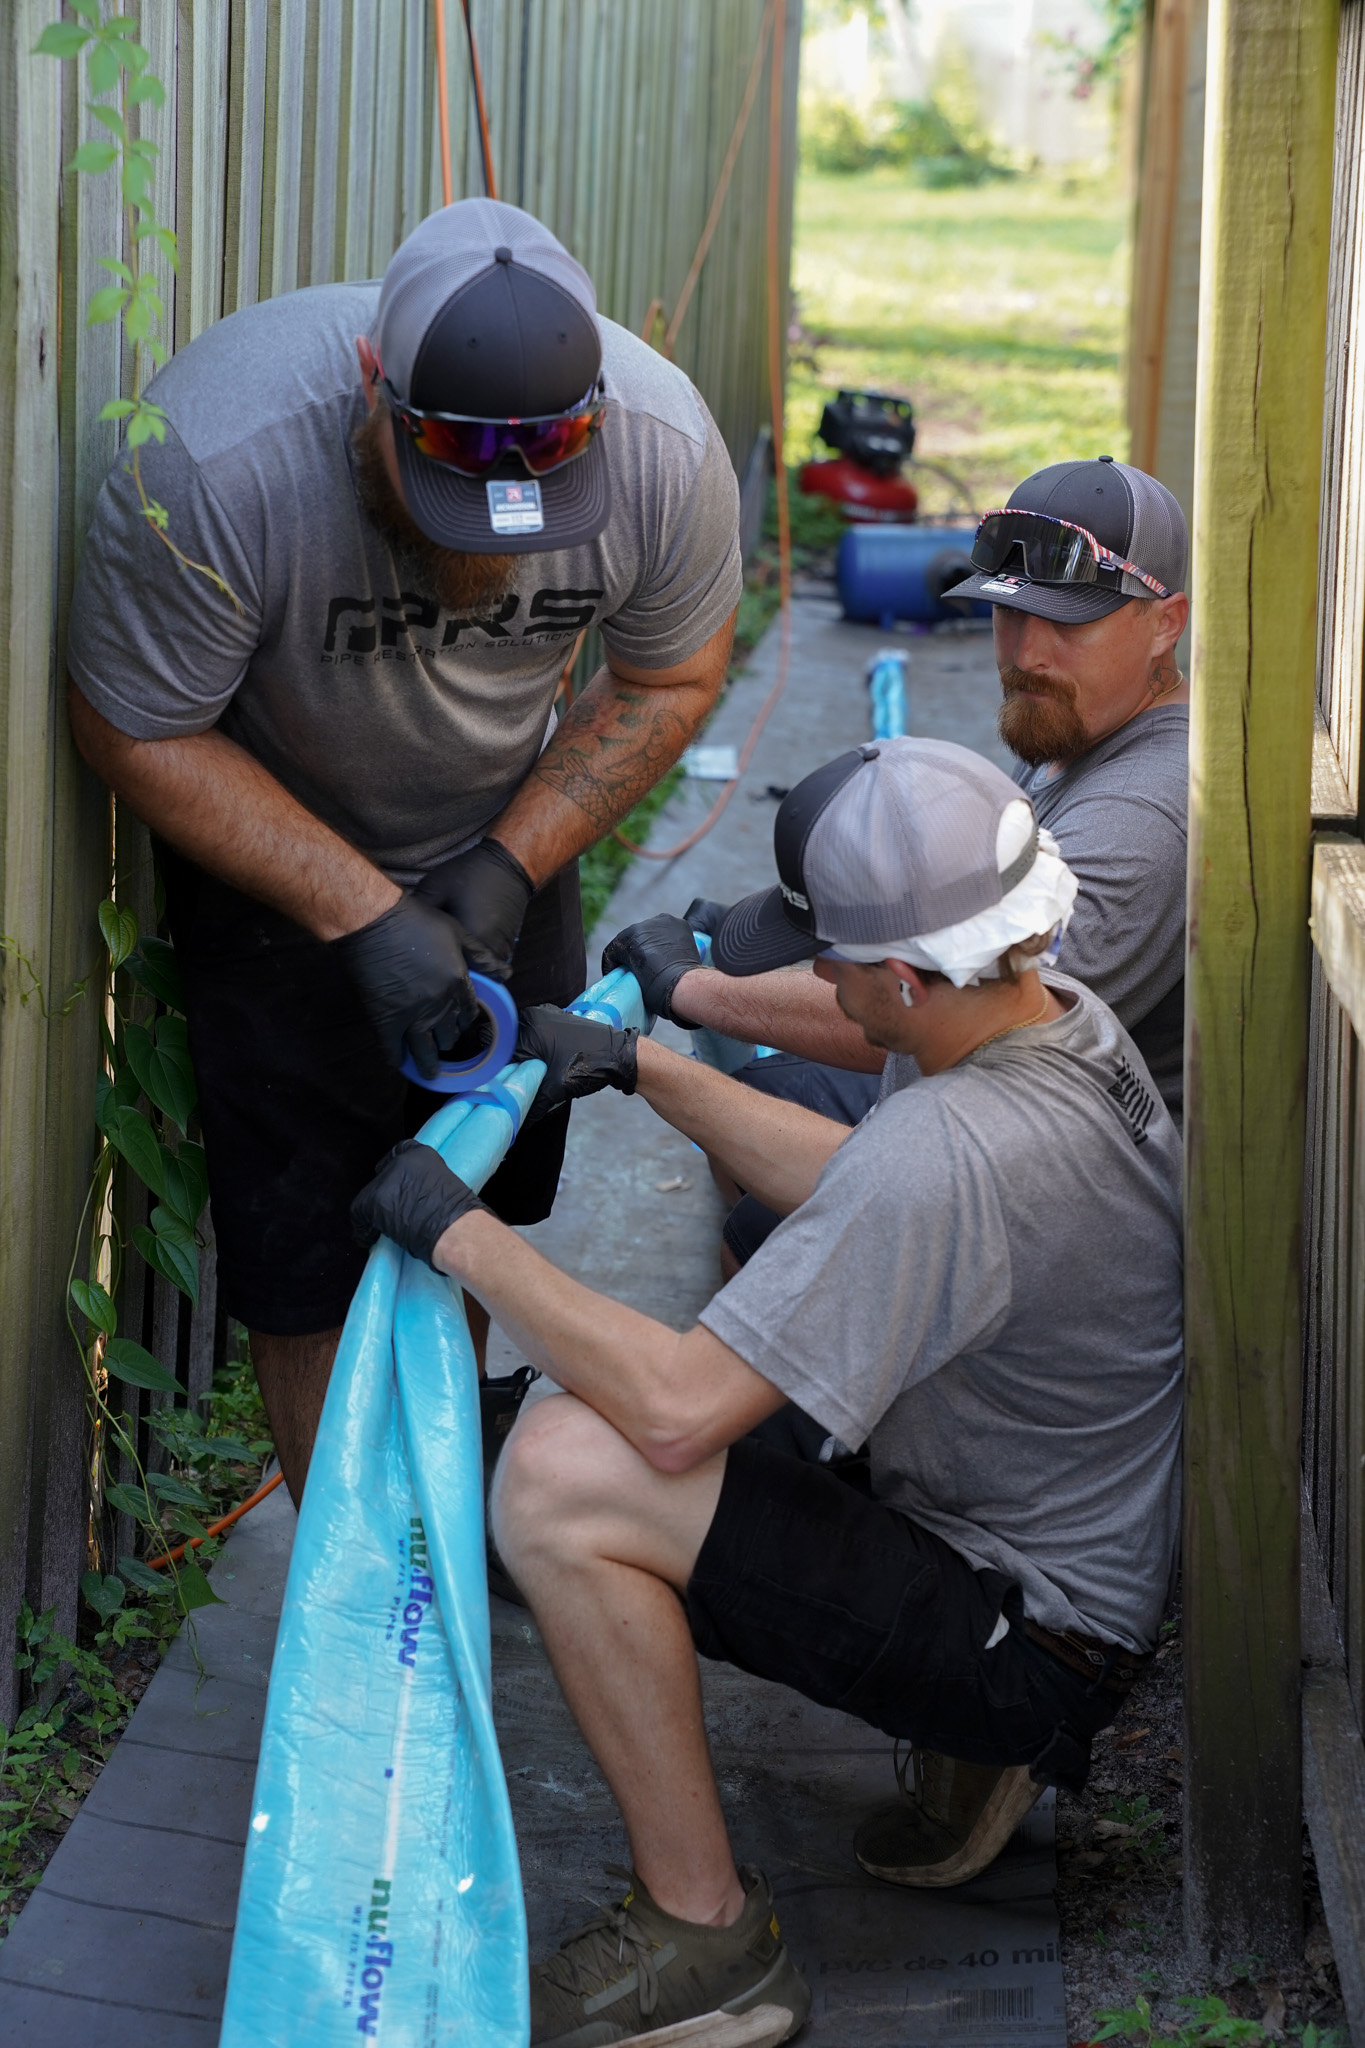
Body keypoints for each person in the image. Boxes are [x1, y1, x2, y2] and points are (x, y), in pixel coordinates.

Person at [353, 737, 1184, 2048]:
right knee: (635, 1408)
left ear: (903, 979)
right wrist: (647, 1068)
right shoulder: (1046, 1021)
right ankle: (949, 1769)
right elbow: (872, 1185)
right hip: (1062, 1560)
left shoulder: (952, 1147)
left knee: (565, 1476)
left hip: (1026, 1636)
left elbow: (681, 1407)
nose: (810, 973)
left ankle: (708, 1942)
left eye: (829, 955)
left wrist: (458, 1232)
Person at [66, 197, 740, 1503]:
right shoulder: (223, 457)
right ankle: (355, 1575)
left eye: (529, 502)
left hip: (506, 848)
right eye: (442, 492)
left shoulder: (662, 453)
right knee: (306, 1262)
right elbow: (134, 724)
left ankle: (445, 1526)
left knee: (468, 1215)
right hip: (279, 865)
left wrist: (507, 864)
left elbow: (668, 677)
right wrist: (359, 911)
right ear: (376, 382)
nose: (479, 535)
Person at [604, 454, 1190, 1273]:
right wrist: (796, 923)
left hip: (1070, 1206)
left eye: (1067, 621)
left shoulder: (1141, 812)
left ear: (1166, 622)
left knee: (763, 1222)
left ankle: (791, 1389)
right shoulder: (1079, 722)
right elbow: (946, 926)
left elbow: (952, 1007)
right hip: (1001, 1118)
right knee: (766, 1113)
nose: (1025, 652)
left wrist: (693, 989)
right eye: (1006, 615)